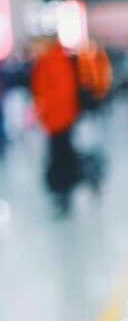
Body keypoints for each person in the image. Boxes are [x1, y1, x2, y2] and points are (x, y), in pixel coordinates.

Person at [30, 36, 82, 216]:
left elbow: (62, 92)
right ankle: (62, 190)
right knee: (60, 155)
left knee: (62, 156)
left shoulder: (55, 60)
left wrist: (46, 108)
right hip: (54, 119)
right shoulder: (48, 61)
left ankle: (65, 191)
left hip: (59, 119)